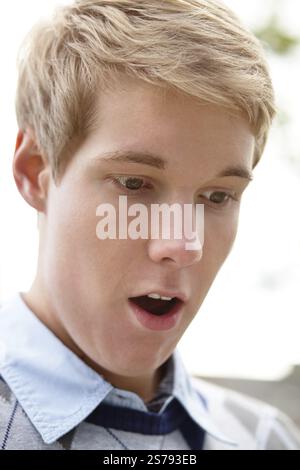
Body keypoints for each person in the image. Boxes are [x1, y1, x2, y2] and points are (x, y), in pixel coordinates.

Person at [0, 0, 299, 450]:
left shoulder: (268, 439)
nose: (183, 243)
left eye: (217, 196)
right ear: (35, 171)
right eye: (135, 183)